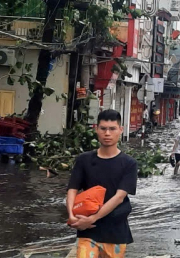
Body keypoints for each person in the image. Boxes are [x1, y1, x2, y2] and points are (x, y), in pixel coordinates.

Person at [67, 110, 137, 258]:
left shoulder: (129, 164)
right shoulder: (83, 160)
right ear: (96, 129)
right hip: (88, 230)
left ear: (120, 130)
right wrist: (72, 216)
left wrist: (93, 219)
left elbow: (119, 197)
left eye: (112, 129)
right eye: (103, 128)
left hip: (115, 230)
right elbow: (72, 189)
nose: (107, 133)